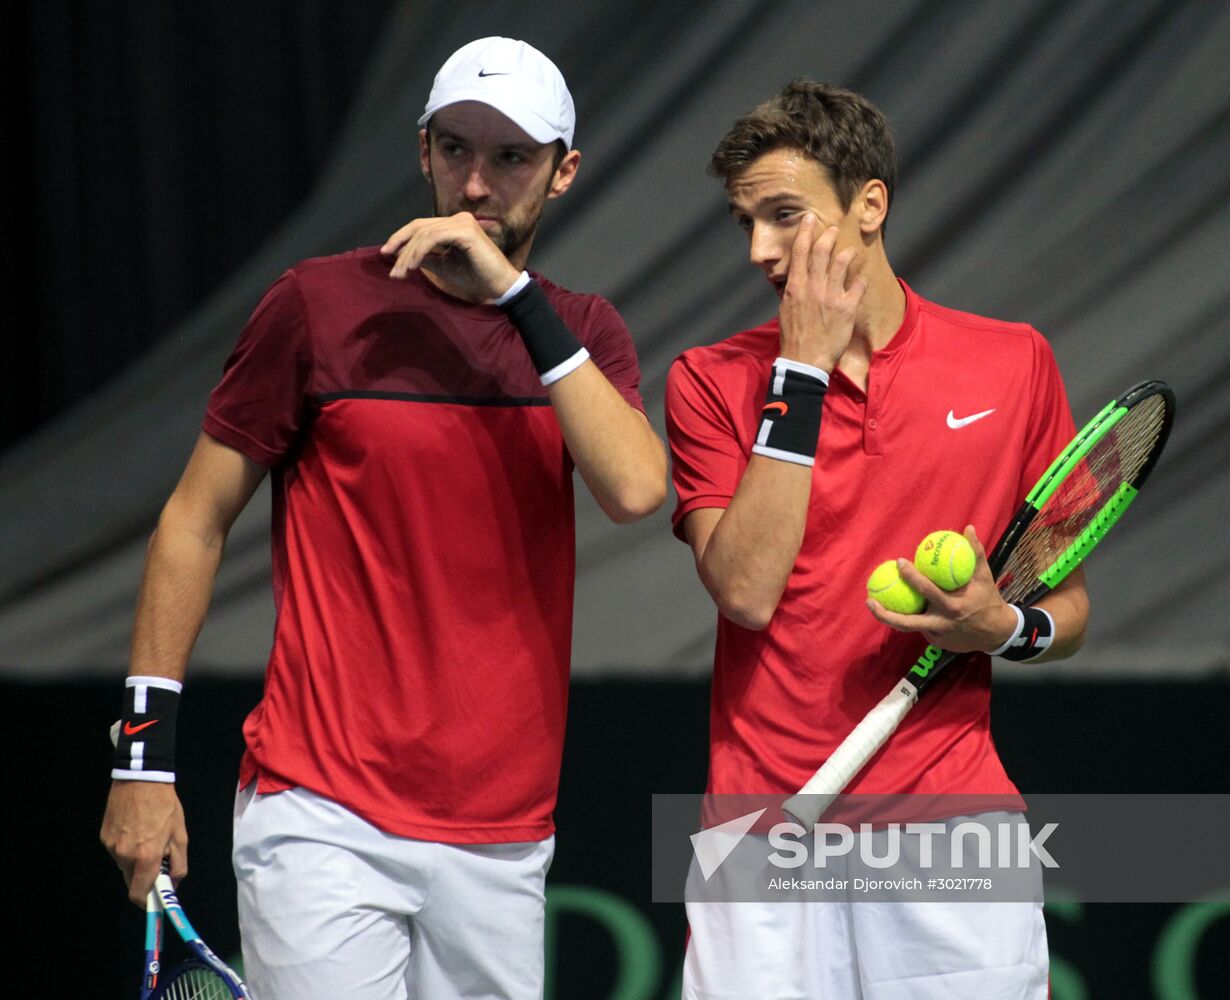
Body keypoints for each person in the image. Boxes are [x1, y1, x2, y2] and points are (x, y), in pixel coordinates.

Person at [100, 36, 666, 1000]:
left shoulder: (582, 335)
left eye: (511, 157)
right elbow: (193, 521)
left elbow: (637, 490)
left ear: (563, 172)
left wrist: (515, 299)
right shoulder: (316, 307)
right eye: (456, 150)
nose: (476, 184)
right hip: (320, 813)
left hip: (503, 836)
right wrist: (144, 761)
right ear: (423, 152)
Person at [665, 79, 1089, 998]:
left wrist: (1004, 628)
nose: (760, 250)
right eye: (746, 223)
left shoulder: (1012, 363)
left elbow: (1068, 605)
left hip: (951, 827)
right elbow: (745, 592)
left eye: (784, 216)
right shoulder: (707, 381)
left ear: (869, 204)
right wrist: (801, 372)